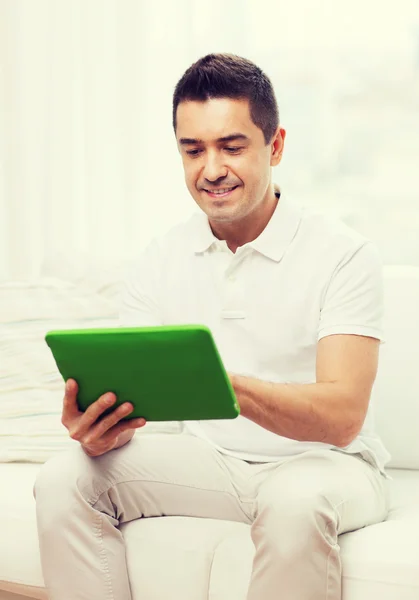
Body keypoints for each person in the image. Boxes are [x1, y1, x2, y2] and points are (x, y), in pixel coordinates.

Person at [33, 53, 390, 600]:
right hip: (212, 463)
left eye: (231, 146)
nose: (211, 169)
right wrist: (106, 422)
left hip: (329, 466)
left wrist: (224, 386)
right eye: (192, 149)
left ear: (275, 146)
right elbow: (139, 401)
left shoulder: (343, 254)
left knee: (294, 503)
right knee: (65, 480)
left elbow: (342, 420)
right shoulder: (161, 256)